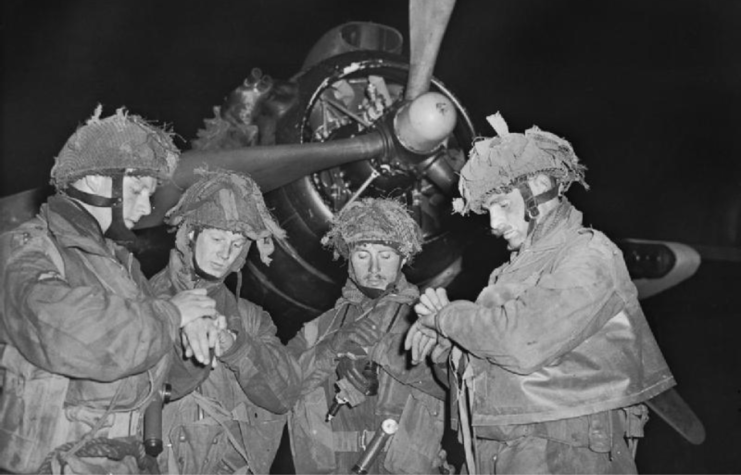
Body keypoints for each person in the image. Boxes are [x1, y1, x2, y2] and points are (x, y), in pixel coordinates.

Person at [406, 113, 677, 474]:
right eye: (488, 211)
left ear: (536, 187)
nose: (494, 223)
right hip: (508, 451)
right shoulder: (510, 274)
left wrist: (447, 316)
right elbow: (483, 378)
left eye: (502, 204)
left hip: (565, 451)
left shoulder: (588, 254)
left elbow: (521, 343)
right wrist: (446, 344)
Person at [0, 105, 222, 474]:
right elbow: (73, 335)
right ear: (93, 181)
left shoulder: (120, 266)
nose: (148, 205)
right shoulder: (27, 247)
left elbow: (152, 377)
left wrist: (193, 338)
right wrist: (172, 314)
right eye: (137, 188)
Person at [150, 169, 302, 475]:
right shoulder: (144, 300)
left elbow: (284, 397)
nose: (225, 254)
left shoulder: (251, 319)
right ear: (191, 234)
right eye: (217, 238)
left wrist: (236, 347)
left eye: (236, 245)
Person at [287, 197, 449, 474]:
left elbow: (462, 390)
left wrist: (390, 352)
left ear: (402, 260)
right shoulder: (322, 327)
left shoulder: (429, 321)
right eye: (363, 256)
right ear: (350, 261)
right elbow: (281, 385)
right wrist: (332, 347)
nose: (374, 269)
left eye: (385, 256)